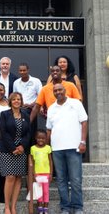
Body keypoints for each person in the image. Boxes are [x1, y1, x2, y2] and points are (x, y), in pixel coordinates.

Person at [46, 83, 88, 214]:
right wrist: (48, 147)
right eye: (55, 90)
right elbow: (48, 129)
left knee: (75, 180)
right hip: (57, 149)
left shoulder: (76, 103)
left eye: (60, 89)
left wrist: (83, 142)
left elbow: (84, 122)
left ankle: (77, 207)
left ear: (65, 91)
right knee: (61, 180)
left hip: (74, 147)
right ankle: (65, 207)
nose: (58, 92)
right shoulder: (51, 108)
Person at [0, 92, 31, 214]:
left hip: (21, 150)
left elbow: (28, 133)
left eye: (19, 99)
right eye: (14, 99)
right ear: (10, 101)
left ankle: (14, 206)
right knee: (10, 176)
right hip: (7, 150)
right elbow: (4, 133)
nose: (17, 101)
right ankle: (7, 206)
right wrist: (13, 148)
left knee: (18, 178)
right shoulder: (4, 114)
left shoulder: (26, 114)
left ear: (21, 101)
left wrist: (22, 146)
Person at [13, 63, 42, 145]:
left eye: (24, 70)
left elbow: (40, 96)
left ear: (28, 70)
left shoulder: (36, 81)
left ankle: (31, 153)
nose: (22, 72)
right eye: (20, 70)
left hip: (32, 110)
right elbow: (15, 96)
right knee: (20, 132)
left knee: (31, 132)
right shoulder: (16, 82)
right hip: (19, 110)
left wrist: (30, 105)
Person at [30, 129, 53, 214]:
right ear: (36, 138)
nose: (41, 140)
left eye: (43, 138)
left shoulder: (48, 148)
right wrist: (33, 174)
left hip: (46, 174)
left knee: (46, 191)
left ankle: (45, 209)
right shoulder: (33, 148)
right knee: (39, 192)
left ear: (46, 139)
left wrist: (51, 173)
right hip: (37, 174)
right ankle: (40, 208)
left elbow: (50, 161)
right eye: (39, 138)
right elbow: (32, 161)